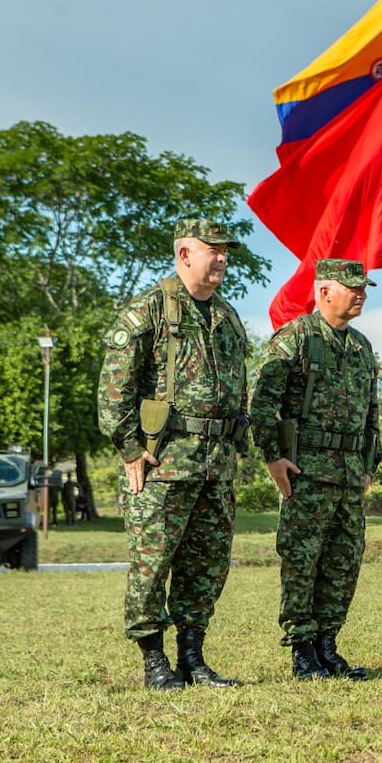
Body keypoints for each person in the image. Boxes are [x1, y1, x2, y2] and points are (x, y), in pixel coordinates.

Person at [97, 218, 248, 690]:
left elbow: (238, 385)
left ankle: (192, 658)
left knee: (206, 567)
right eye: (212, 249)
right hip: (163, 463)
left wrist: (237, 444)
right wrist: (130, 449)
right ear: (184, 254)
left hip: (214, 465)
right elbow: (114, 389)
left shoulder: (226, 315)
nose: (221, 258)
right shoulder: (150, 309)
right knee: (152, 563)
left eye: (225, 251)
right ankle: (154, 661)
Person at [248, 259, 381, 681]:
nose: (360, 295)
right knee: (302, 561)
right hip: (305, 471)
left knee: (344, 561)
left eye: (363, 288)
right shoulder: (297, 336)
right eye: (352, 288)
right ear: (324, 292)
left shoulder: (360, 346)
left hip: (348, 474)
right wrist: (272, 457)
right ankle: (303, 650)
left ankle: (327, 644)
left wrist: (368, 463)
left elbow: (371, 412)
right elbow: (262, 402)